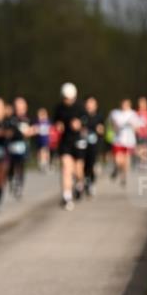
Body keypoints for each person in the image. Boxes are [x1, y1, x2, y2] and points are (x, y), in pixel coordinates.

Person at [53, 82, 87, 210]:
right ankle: (67, 197)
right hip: (65, 142)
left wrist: (80, 124)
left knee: (78, 170)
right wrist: (58, 125)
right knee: (66, 169)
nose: (67, 101)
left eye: (70, 98)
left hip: (78, 142)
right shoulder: (59, 108)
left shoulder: (80, 107)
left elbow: (86, 121)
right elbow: (56, 121)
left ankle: (79, 184)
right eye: (65, 98)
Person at [109, 98, 141, 186]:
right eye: (123, 104)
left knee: (126, 161)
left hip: (129, 141)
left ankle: (123, 177)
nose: (124, 106)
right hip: (118, 140)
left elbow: (137, 128)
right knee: (118, 159)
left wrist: (133, 126)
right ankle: (116, 168)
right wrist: (116, 127)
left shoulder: (133, 114)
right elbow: (112, 124)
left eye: (126, 104)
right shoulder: (115, 113)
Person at [7, 97, 32, 200]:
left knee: (21, 165)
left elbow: (33, 129)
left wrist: (30, 132)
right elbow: (7, 131)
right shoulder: (11, 119)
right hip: (12, 145)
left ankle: (19, 185)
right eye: (17, 105)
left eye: (21, 105)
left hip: (23, 145)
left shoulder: (28, 119)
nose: (19, 108)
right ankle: (12, 179)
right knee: (11, 164)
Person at [83, 96, 105, 196]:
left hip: (94, 144)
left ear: (96, 105)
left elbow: (102, 130)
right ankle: (83, 181)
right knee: (82, 164)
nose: (89, 105)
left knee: (91, 165)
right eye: (88, 103)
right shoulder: (82, 116)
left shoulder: (99, 117)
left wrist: (99, 129)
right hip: (82, 144)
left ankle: (91, 182)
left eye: (92, 103)